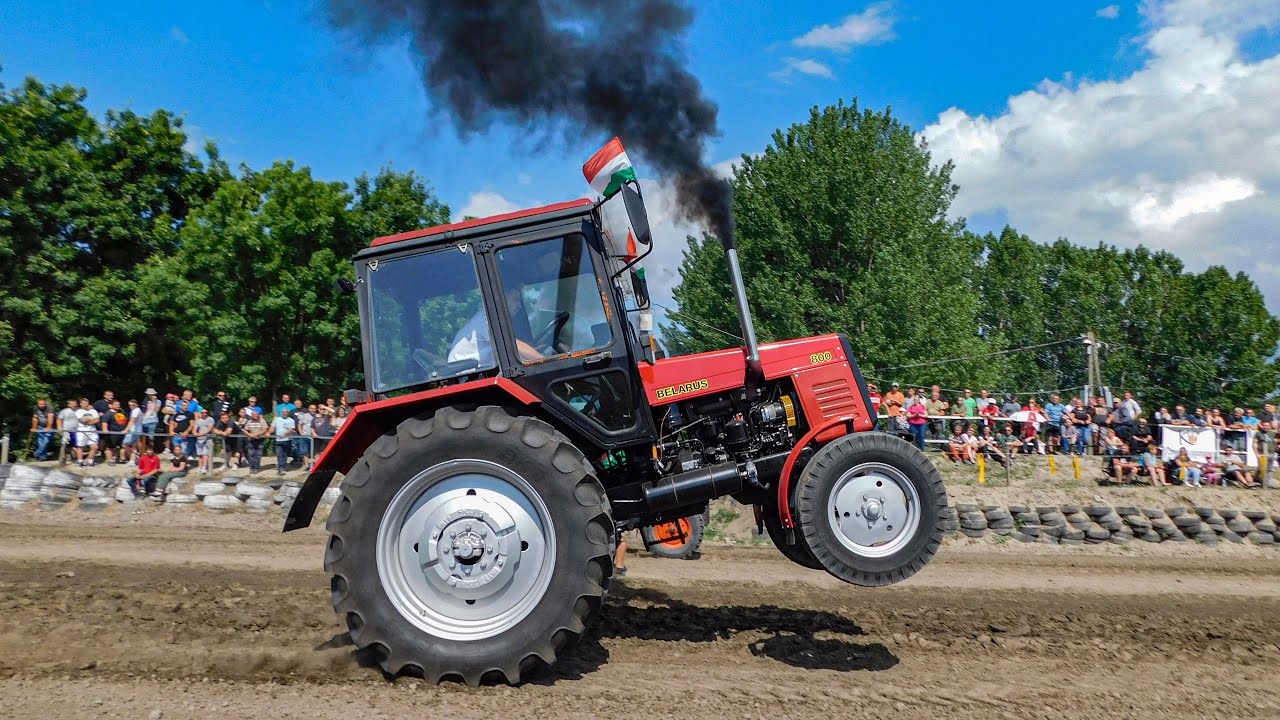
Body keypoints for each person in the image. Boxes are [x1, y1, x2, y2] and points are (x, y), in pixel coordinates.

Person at [102, 399, 129, 464]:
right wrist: (105, 429)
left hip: (122, 432)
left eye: (118, 404)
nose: (118, 406)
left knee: (123, 446)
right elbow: (104, 422)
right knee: (110, 447)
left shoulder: (122, 411)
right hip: (113, 433)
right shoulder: (108, 413)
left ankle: (122, 459)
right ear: (110, 405)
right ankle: (109, 460)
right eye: (116, 404)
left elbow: (126, 420)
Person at [272, 407, 297, 475]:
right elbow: (272, 427)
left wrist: (285, 434)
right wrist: (268, 432)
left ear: (288, 413)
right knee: (279, 454)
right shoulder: (277, 419)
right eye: (283, 412)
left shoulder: (291, 420)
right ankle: (281, 468)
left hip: (287, 440)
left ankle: (283, 467)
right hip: (278, 440)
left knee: (285, 454)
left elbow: (291, 429)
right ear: (281, 413)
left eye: (286, 412)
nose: (285, 413)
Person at [295, 403, 317, 471]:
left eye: (314, 409)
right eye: (312, 408)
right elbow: (299, 424)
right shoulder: (304, 416)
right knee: (305, 452)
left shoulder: (317, 416)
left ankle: (316, 465)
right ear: (309, 409)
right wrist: (301, 432)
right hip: (306, 436)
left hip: (315, 437)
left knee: (316, 452)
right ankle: (307, 466)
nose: (313, 410)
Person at [193, 409, 215, 474]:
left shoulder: (210, 419)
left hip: (208, 438)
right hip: (199, 439)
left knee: (205, 453)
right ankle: (199, 467)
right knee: (200, 454)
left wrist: (201, 434)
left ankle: (204, 467)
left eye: (205, 413)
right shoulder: (197, 421)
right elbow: (194, 428)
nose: (204, 414)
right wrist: (195, 433)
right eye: (202, 413)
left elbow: (210, 428)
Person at [120, 398, 142, 465]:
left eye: (133, 405)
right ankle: (132, 460)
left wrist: (126, 430)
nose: (131, 406)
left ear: (136, 405)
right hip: (137, 430)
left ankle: (134, 457)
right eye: (130, 405)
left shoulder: (136, 411)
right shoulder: (135, 410)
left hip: (133, 431)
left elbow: (132, 420)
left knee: (124, 444)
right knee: (134, 446)